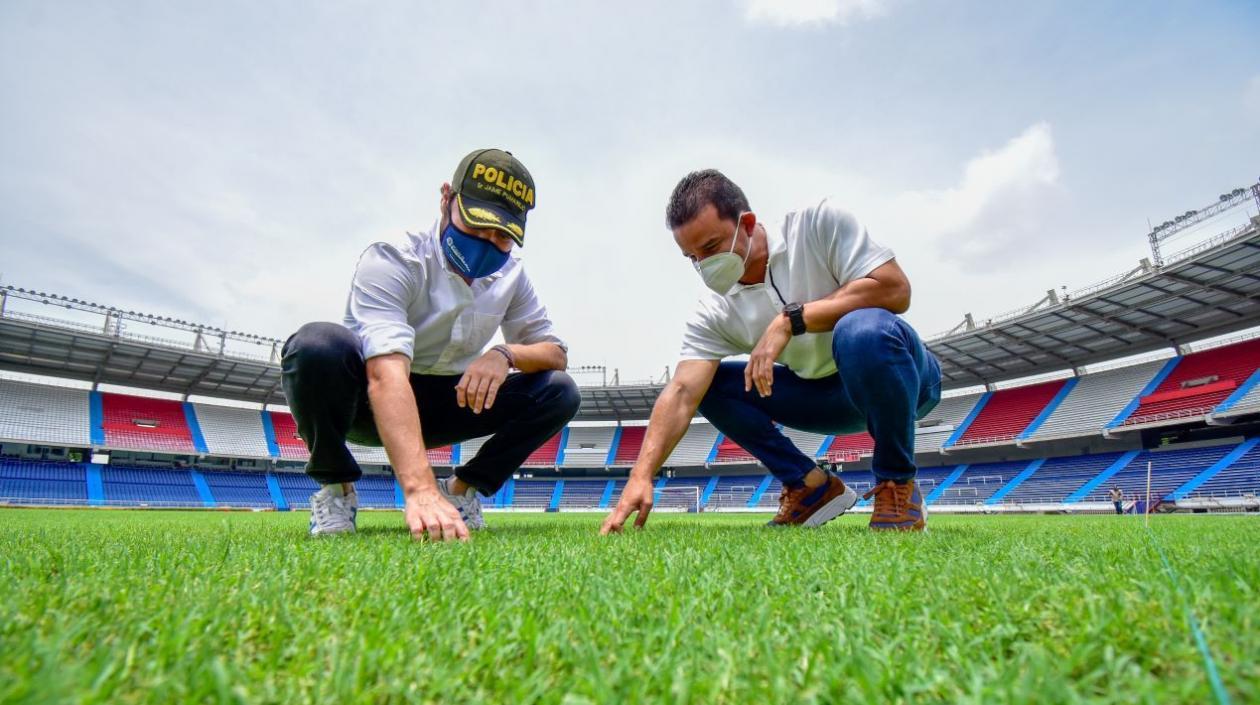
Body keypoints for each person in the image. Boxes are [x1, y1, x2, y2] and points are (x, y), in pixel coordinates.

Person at [602, 170, 940, 533]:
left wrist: (791, 320)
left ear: (747, 224)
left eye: (711, 247)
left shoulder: (817, 224)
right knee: (706, 386)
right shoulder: (714, 311)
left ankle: (897, 484)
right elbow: (682, 392)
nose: (703, 265)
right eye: (692, 257)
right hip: (824, 399)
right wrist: (641, 475)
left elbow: (894, 289)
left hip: (904, 380)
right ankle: (809, 485)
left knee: (861, 330)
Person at [282, 149, 580, 540]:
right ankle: (337, 489)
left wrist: (504, 353)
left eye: (502, 236)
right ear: (446, 199)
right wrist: (419, 489)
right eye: (477, 225)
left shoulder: (513, 276)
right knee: (316, 346)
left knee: (559, 391)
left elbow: (555, 354)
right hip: (368, 401)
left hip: (452, 400)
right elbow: (385, 372)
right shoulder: (396, 257)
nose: (487, 243)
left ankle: (461, 490)